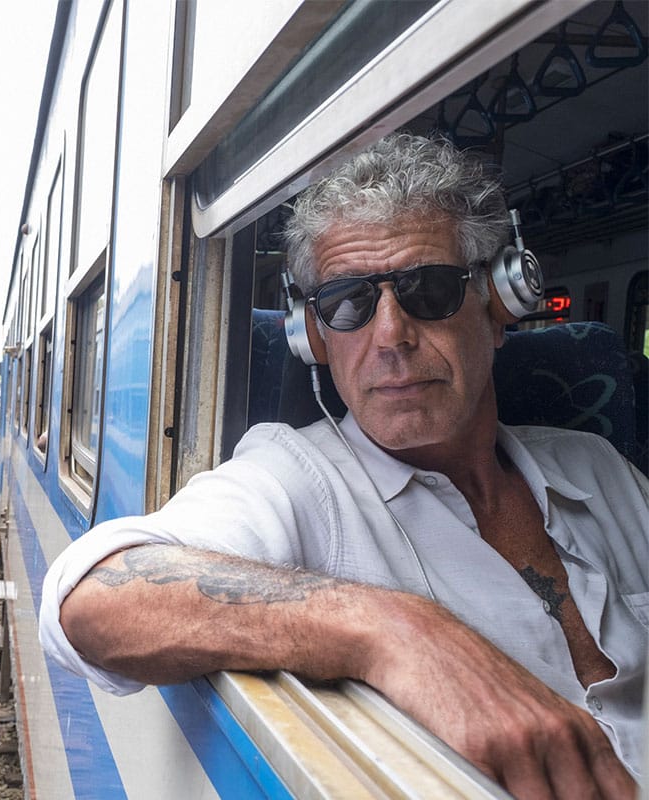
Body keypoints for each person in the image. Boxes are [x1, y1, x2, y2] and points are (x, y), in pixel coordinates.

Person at [41, 133, 645, 798]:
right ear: (314, 337)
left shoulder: (601, 470)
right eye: (348, 302)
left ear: (499, 309)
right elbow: (92, 597)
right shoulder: (296, 477)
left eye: (430, 289)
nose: (390, 336)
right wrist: (400, 630)